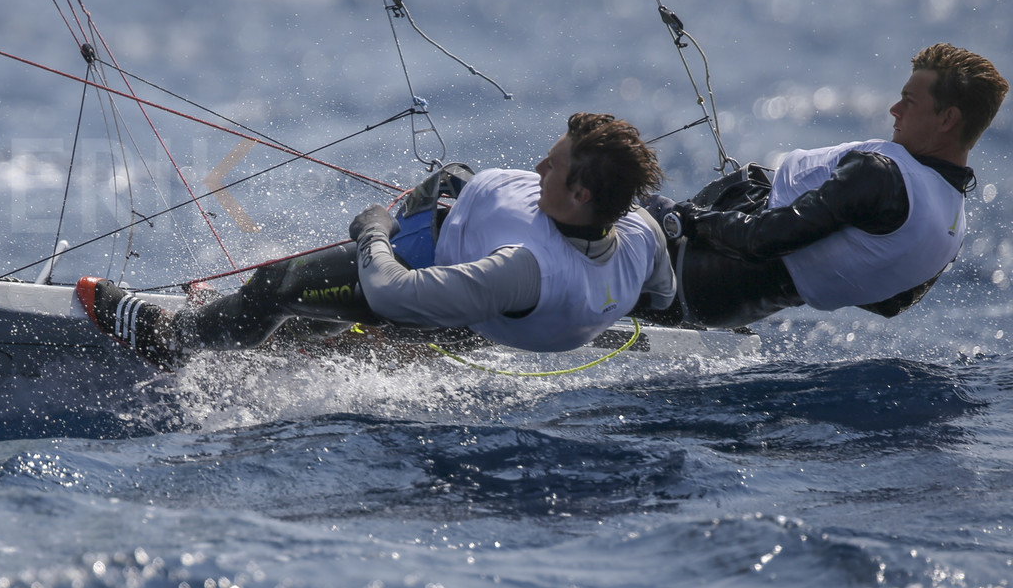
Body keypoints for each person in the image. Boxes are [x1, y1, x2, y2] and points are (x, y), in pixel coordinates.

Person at [76, 112, 674, 366]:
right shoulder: (637, 234)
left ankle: (171, 342)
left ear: (581, 198)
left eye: (553, 168)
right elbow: (664, 293)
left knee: (275, 285)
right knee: (453, 173)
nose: (540, 169)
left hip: (422, 259)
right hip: (452, 214)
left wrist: (373, 230)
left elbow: (392, 290)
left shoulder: (525, 271)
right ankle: (293, 340)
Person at [644, 43, 1007, 329]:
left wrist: (688, 220)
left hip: (696, 265)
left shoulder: (881, 175)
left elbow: (763, 239)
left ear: (948, 119)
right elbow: (888, 303)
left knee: (614, 196)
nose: (894, 109)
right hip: (727, 310)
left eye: (909, 102)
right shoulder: (952, 227)